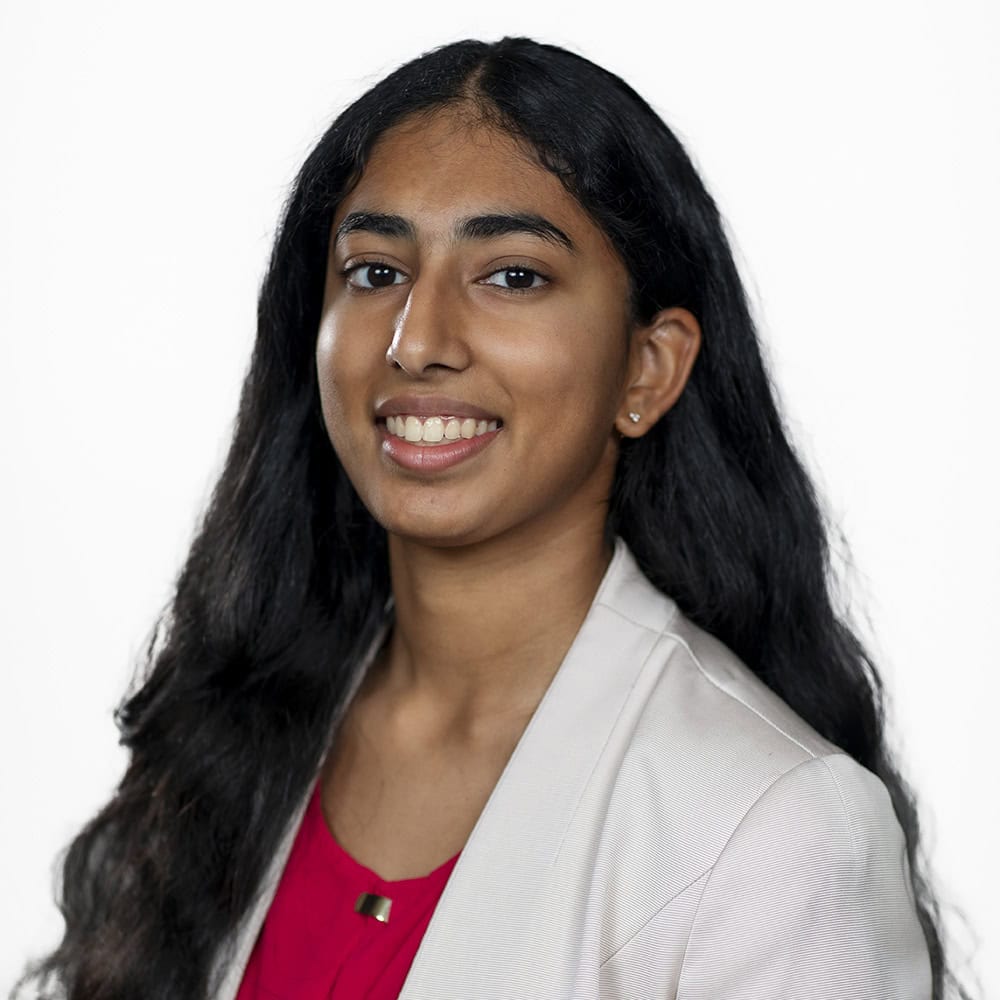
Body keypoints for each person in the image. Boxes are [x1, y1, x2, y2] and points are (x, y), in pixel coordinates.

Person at [15, 36, 970, 1000]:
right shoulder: (232, 722)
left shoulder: (777, 828)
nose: (416, 340)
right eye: (374, 271)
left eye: (512, 275)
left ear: (647, 368)